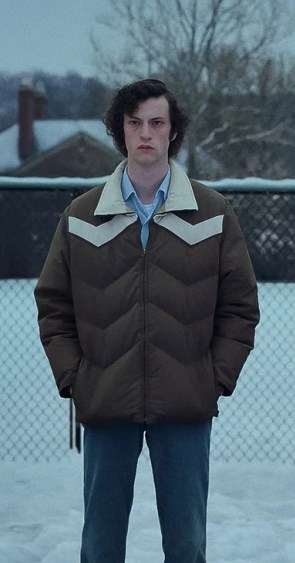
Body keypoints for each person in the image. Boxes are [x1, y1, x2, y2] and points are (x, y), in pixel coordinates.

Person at [34, 78, 260, 562]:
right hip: (104, 399)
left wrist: (212, 378)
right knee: (100, 545)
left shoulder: (212, 212)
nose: (145, 133)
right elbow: (53, 304)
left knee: (186, 545)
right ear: (120, 129)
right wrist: (77, 378)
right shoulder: (82, 214)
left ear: (173, 130)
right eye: (134, 122)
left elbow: (240, 307)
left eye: (157, 122)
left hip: (184, 403)